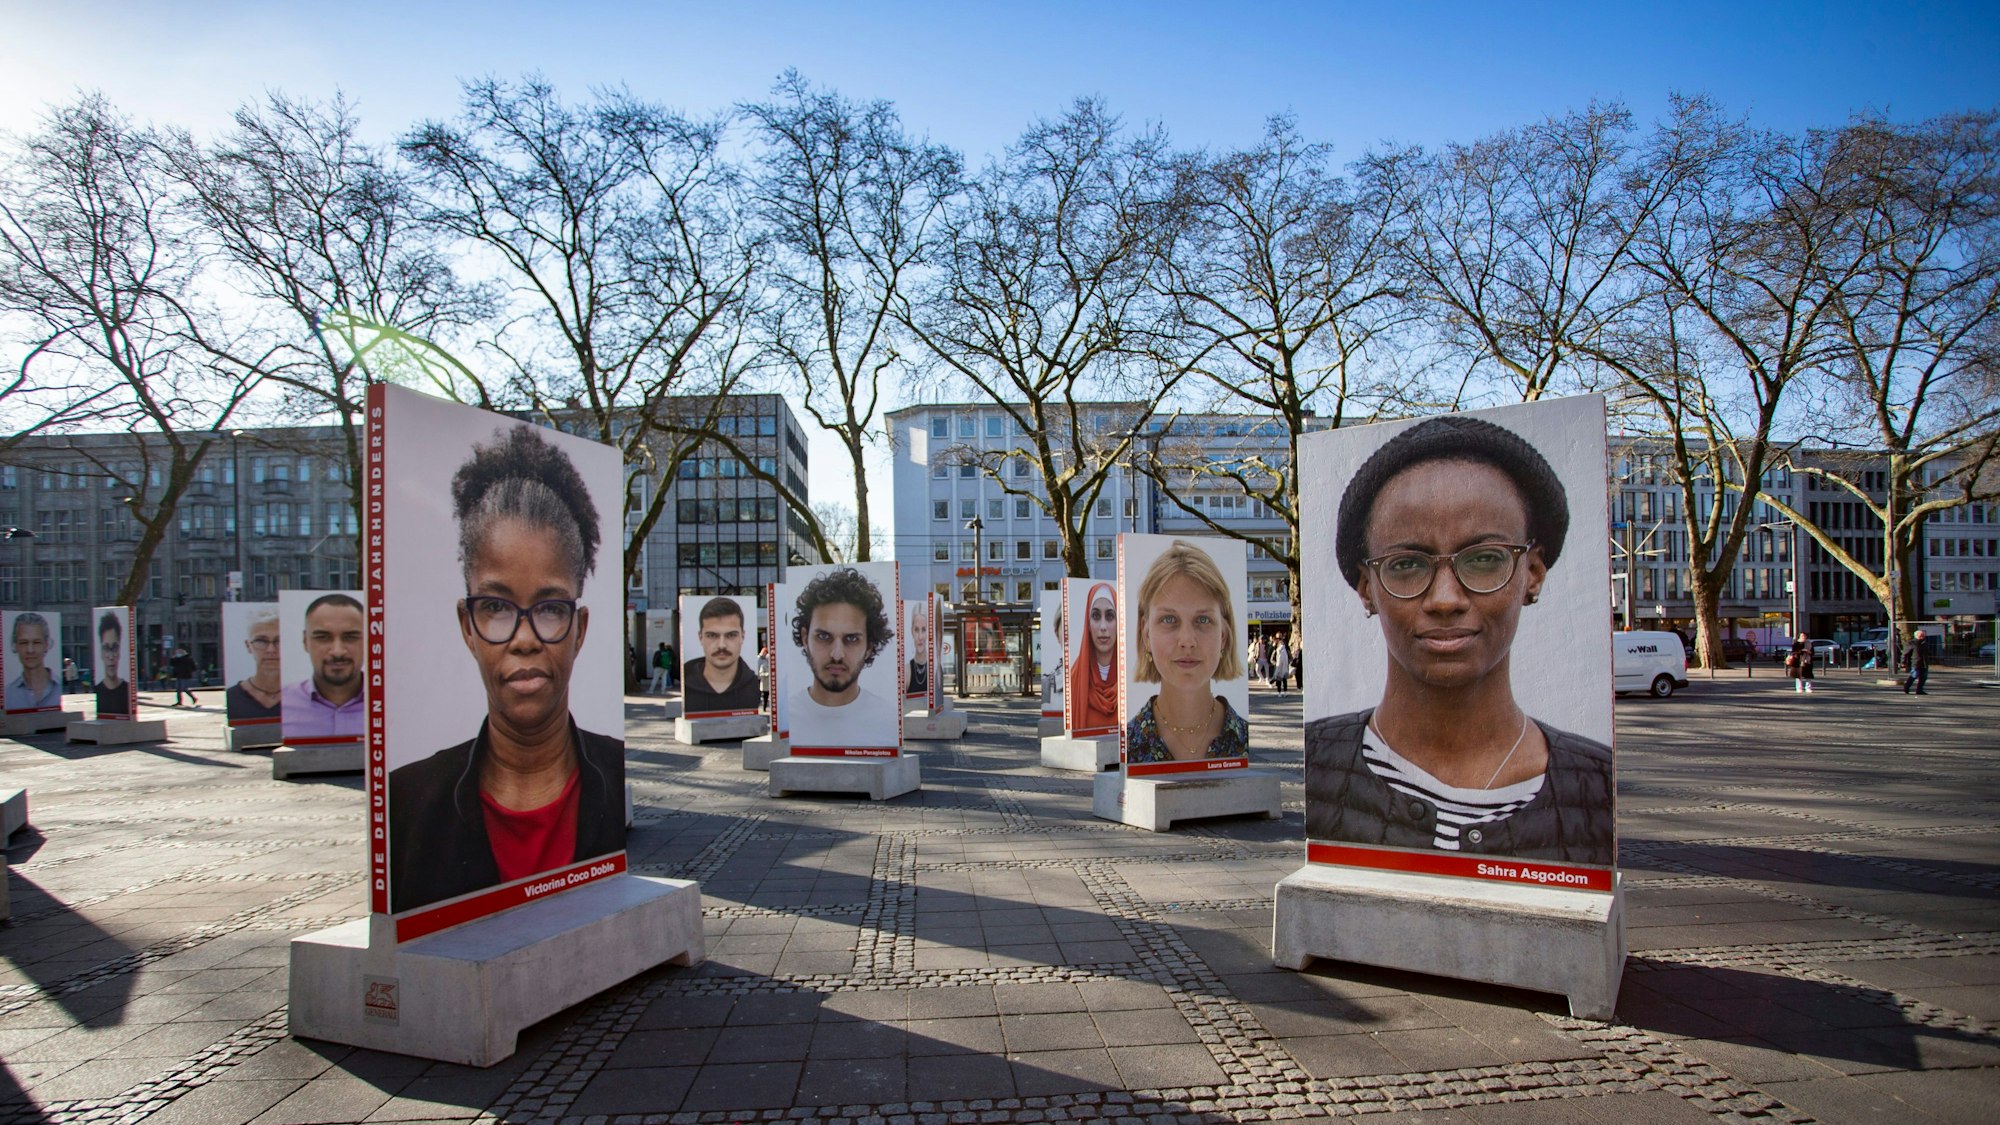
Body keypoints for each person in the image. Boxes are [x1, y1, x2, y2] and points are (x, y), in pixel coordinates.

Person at [1304, 415, 1613, 866]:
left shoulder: (1597, 784)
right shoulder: (1316, 765)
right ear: (1366, 587)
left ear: (1533, 573)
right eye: (1406, 565)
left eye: (1485, 559)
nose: (1445, 599)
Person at [390, 424, 623, 914]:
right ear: (467, 625)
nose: (524, 639)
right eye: (496, 607)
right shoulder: (407, 803)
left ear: (579, 629)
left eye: (550, 608)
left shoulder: (613, 775)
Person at [1124, 542, 1249, 764]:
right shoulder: (1127, 746)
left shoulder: (1245, 740)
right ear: (1146, 635)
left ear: (1223, 636)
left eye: (1203, 620)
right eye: (1169, 620)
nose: (1187, 641)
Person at [784, 567, 895, 746]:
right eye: (823, 637)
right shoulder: (787, 717)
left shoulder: (888, 721)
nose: (837, 654)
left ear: (869, 647)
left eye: (851, 639)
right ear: (805, 638)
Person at [280, 594, 364, 739]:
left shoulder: (396, 707)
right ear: (305, 641)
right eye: (323, 637)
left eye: (350, 637)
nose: (337, 651)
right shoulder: (281, 705)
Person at [682, 597, 761, 715]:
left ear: (742, 636)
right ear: (700, 637)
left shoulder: (754, 686)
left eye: (731, 635)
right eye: (712, 635)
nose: (722, 645)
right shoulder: (686, 684)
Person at [1067, 583, 1120, 735]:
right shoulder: (1074, 679)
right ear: (1088, 624)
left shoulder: (1132, 678)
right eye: (1096, 616)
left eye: (1110, 616)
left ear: (1119, 623)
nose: (1103, 627)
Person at [226, 606, 285, 723]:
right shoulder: (231, 697)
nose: (271, 649)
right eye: (261, 641)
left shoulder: (309, 698)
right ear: (248, 646)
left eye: (280, 641)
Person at [5, 613, 63, 711]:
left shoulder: (59, 686)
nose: (30, 650)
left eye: (36, 642)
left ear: (47, 645)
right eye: (24, 643)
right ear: (15, 646)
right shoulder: (7, 693)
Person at [94, 611, 132, 718]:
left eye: (114, 648)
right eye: (106, 648)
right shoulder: (98, 690)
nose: (111, 657)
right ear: (101, 653)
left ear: (120, 651)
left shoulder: (127, 691)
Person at [906, 603, 930, 698]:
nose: (920, 637)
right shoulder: (906, 671)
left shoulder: (934, 667)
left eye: (924, 630)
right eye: (916, 630)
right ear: (912, 631)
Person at [1902, 630, 1931, 695]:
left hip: (1924, 663)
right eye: (1921, 635)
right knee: (1914, 675)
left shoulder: (1924, 643)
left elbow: (1928, 652)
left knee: (1923, 677)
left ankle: (1919, 690)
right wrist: (1903, 662)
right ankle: (1906, 686)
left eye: (1923, 635)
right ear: (1917, 635)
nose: (1923, 637)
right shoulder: (1911, 643)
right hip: (1915, 662)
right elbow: (1905, 653)